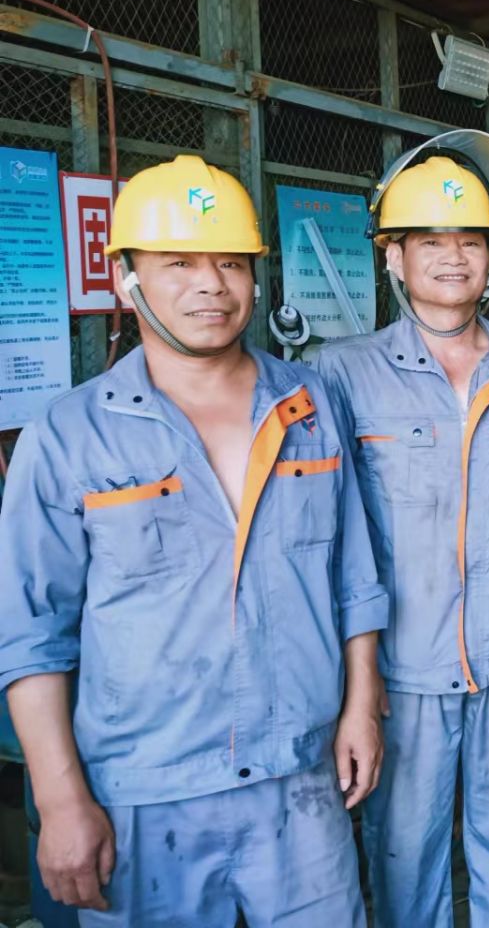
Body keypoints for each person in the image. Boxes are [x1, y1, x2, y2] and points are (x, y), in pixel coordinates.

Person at [0, 156, 387, 926]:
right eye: (179, 263)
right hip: (143, 793)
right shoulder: (69, 436)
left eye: (232, 262)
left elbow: (354, 577)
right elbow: (31, 634)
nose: (212, 284)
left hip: (299, 778)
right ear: (127, 280)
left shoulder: (310, 405)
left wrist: (362, 708)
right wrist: (61, 797)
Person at [313, 130, 489, 926]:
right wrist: (351, 683)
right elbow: (326, 540)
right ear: (393, 257)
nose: (452, 258)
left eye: (469, 241)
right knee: (405, 859)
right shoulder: (341, 373)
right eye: (429, 242)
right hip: (400, 669)